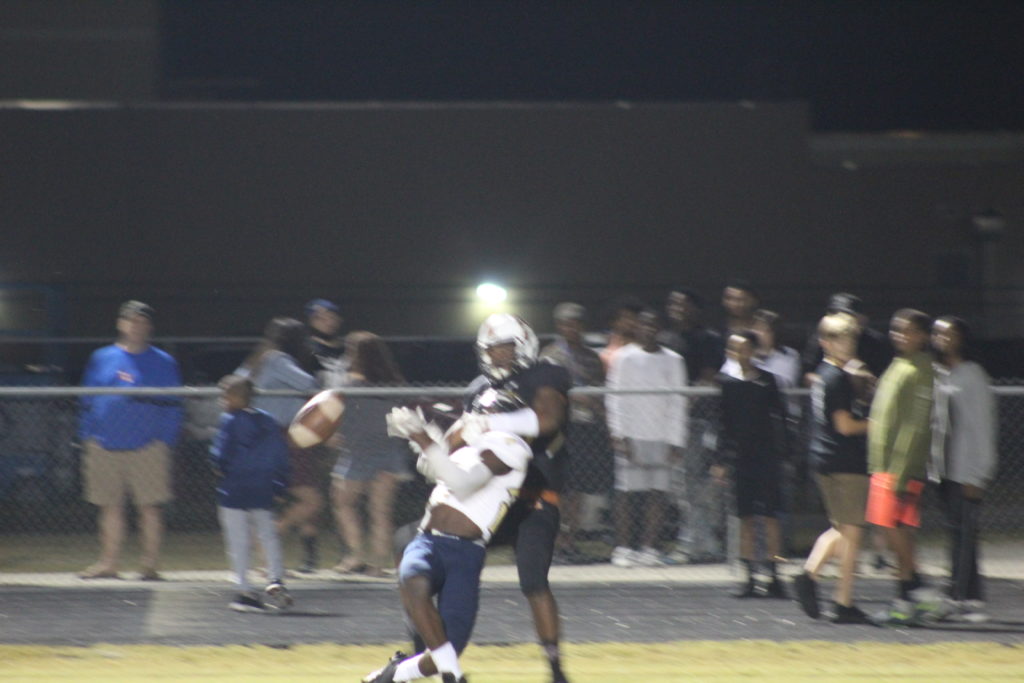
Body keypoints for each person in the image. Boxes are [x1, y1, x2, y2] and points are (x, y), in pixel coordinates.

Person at [361, 410, 532, 683]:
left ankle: (394, 674)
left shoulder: (512, 446)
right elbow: (434, 470)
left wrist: (423, 437)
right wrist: (421, 440)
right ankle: (452, 676)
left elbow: (463, 483)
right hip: (427, 539)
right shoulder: (468, 444)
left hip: (466, 551)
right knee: (413, 579)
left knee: (448, 648)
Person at [453, 313, 572, 683]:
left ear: (523, 345)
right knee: (430, 563)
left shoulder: (545, 375)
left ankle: (556, 669)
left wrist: (488, 424)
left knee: (533, 581)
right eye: (491, 349)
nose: (498, 354)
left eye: (504, 346)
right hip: (486, 500)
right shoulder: (477, 389)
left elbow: (547, 420)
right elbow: (461, 442)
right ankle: (437, 661)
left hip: (533, 495)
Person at [78, 300, 183, 580]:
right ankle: (109, 563)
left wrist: (164, 439)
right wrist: (87, 435)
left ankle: (149, 566)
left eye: (142, 321)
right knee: (110, 507)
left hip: (148, 447)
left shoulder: (163, 361)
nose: (136, 326)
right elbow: (87, 399)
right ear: (120, 324)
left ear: (150, 327)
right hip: (104, 444)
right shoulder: (101, 357)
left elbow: (174, 404)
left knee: (150, 507)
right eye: (131, 320)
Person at [792, 313, 872, 624]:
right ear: (825, 342)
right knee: (852, 533)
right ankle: (843, 602)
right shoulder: (837, 377)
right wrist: (877, 424)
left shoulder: (825, 374)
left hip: (824, 457)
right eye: (839, 339)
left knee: (841, 529)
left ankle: (809, 575)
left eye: (850, 338)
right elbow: (845, 426)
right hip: (844, 461)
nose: (847, 345)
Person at [236, 317, 322, 573]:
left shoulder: (260, 359)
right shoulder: (277, 359)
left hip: (263, 436)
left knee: (268, 500)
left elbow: (237, 380)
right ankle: (271, 539)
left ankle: (266, 562)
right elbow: (309, 384)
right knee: (311, 500)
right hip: (279, 435)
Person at [866, 308, 935, 623]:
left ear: (923, 336)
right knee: (896, 531)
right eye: (896, 329)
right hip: (885, 464)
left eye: (908, 330)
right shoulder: (899, 364)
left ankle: (910, 593)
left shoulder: (921, 368)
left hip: (897, 468)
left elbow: (916, 425)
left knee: (894, 531)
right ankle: (915, 594)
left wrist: (902, 471)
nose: (900, 335)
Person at [605, 308, 687, 567]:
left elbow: (678, 401)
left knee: (657, 493)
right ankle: (623, 548)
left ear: (660, 329)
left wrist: (676, 440)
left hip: (662, 435)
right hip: (632, 433)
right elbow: (614, 396)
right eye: (644, 325)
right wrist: (619, 434)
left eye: (654, 325)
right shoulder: (624, 357)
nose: (649, 330)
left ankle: (649, 548)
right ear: (637, 328)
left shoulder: (673, 360)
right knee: (626, 493)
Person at [930, 316, 998, 623]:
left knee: (965, 536)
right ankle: (967, 597)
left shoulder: (972, 374)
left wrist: (979, 473)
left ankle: (962, 597)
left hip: (965, 469)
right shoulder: (938, 373)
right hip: (944, 470)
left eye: (950, 334)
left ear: (962, 338)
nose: (943, 339)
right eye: (938, 333)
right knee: (956, 535)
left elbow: (983, 426)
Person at [210, 376, 293, 613]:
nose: (222, 401)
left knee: (238, 541)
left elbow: (220, 456)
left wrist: (220, 469)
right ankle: (275, 578)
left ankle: (245, 590)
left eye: (225, 396)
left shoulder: (229, 421)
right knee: (268, 535)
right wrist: (279, 485)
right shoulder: (268, 421)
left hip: (234, 489)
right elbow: (280, 456)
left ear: (234, 397)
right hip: (263, 487)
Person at [539, 302, 614, 564]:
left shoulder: (592, 357)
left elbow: (600, 389)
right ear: (559, 326)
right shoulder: (550, 355)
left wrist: (595, 406)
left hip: (586, 428)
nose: (571, 328)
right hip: (559, 427)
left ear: (583, 326)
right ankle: (555, 541)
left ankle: (570, 541)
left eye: (576, 323)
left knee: (579, 487)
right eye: (566, 323)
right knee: (558, 487)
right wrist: (576, 397)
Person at [331, 331, 410, 577]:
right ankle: (378, 565)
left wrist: (337, 435)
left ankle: (355, 556)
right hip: (389, 451)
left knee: (343, 503)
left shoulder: (347, 385)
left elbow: (338, 416)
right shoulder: (394, 384)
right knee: (380, 513)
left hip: (358, 452)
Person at [716, 330, 788, 598]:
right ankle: (748, 577)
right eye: (734, 349)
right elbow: (723, 424)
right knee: (745, 517)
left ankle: (774, 576)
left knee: (770, 518)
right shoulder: (727, 383)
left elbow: (782, 418)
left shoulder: (768, 381)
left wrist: (785, 453)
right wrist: (721, 459)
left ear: (754, 351)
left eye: (745, 348)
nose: (740, 354)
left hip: (767, 457)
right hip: (740, 459)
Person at [801, 292, 893, 385]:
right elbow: (807, 374)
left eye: (846, 316)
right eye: (834, 315)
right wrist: (827, 381)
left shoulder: (876, 342)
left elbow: (885, 379)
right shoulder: (822, 338)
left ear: (862, 319)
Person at [657, 287, 724, 386]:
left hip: (696, 391)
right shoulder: (662, 338)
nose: (676, 309)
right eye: (672, 304)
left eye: (682, 305)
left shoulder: (709, 339)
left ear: (695, 308)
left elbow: (709, 373)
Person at [305, 298, 347, 388]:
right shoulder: (306, 349)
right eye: (320, 318)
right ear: (311, 322)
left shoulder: (350, 347)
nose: (328, 322)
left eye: (331, 317)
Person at [599, 295, 644, 373]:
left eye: (634, 318)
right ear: (614, 321)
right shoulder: (607, 356)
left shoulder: (646, 349)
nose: (631, 322)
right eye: (626, 318)